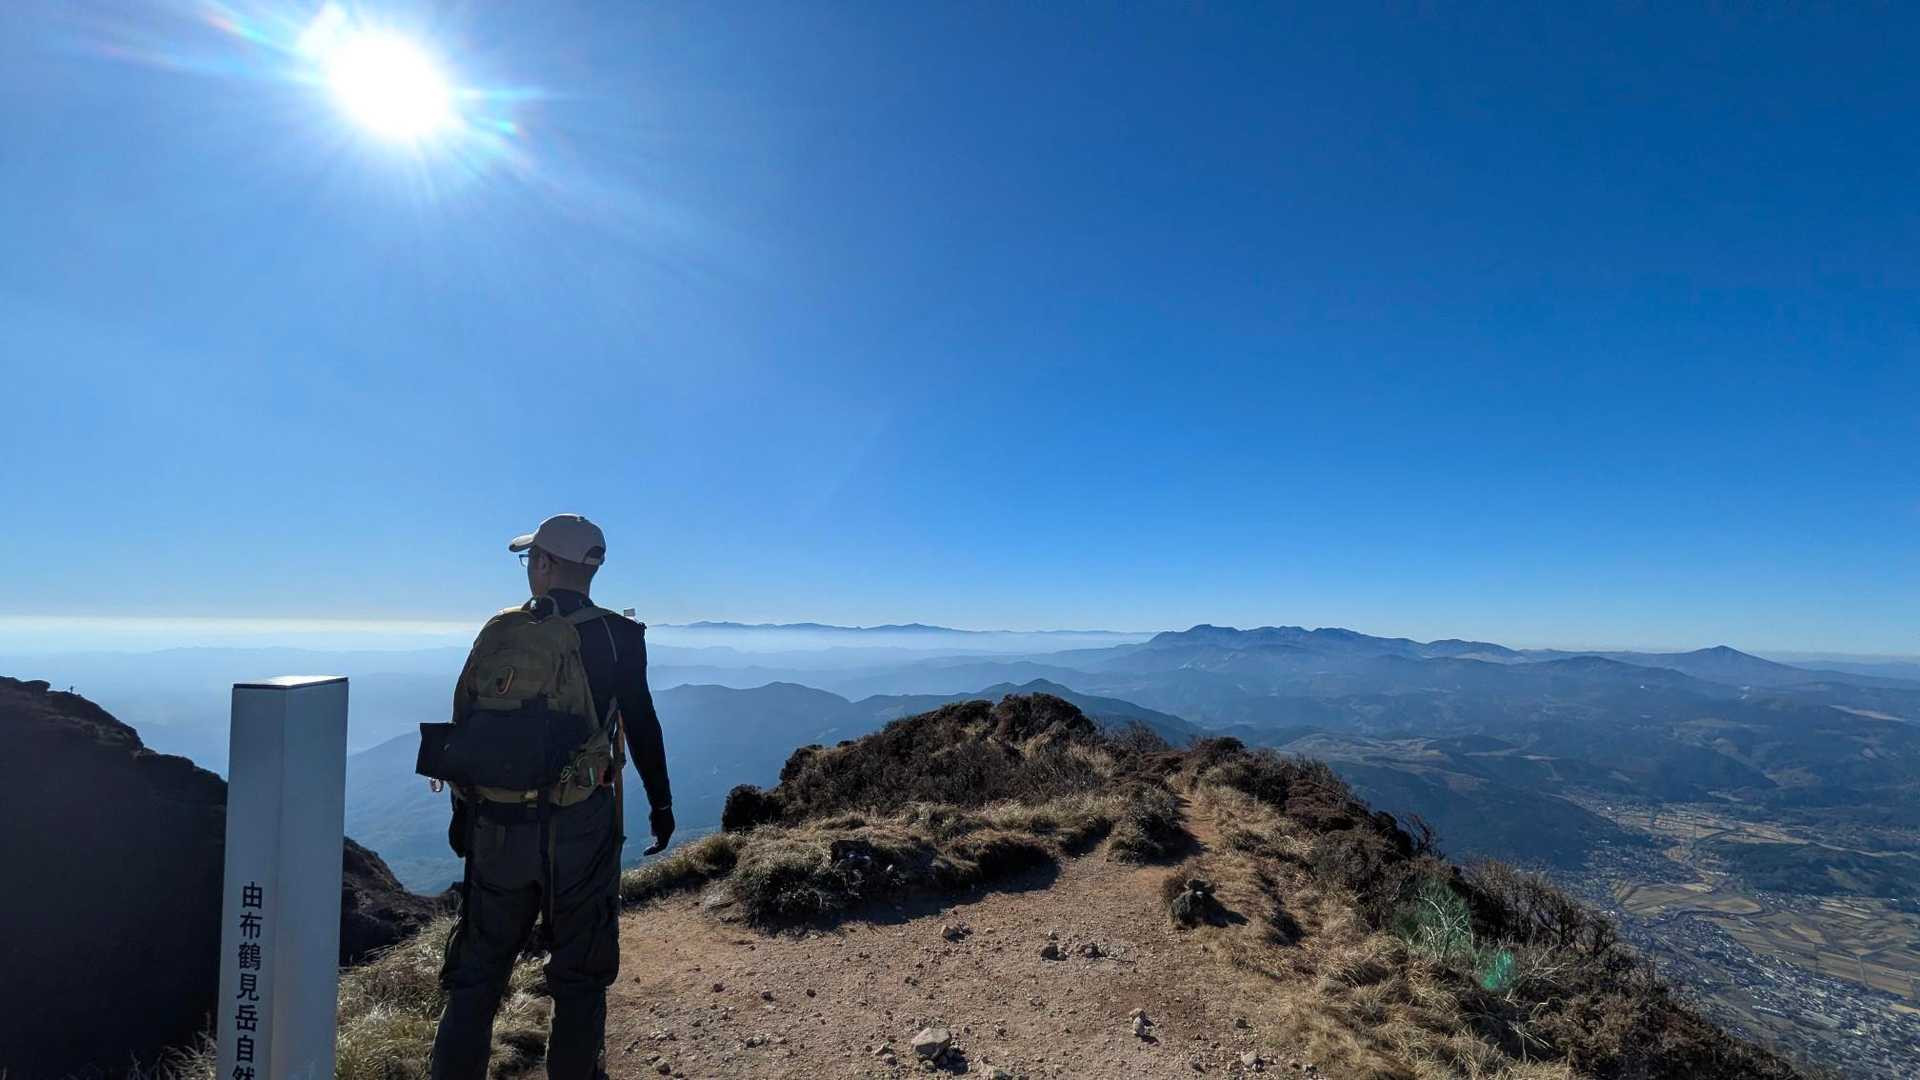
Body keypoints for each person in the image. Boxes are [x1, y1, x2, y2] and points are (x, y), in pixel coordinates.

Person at [429, 513, 673, 1080]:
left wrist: (464, 814)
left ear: (543, 563)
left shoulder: (501, 631)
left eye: (529, 559)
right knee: (580, 973)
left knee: (477, 974)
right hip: (579, 825)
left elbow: (468, 728)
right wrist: (660, 805)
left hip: (496, 826)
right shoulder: (619, 636)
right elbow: (641, 724)